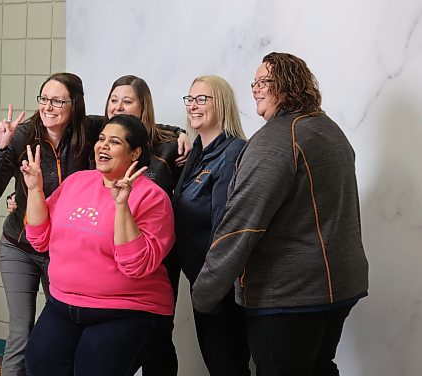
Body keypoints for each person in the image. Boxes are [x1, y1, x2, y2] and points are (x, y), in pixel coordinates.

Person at [192, 52, 369, 375]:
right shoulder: (330, 130)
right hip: (340, 287)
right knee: (319, 367)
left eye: (265, 82)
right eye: (254, 82)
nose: (256, 90)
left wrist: (204, 293)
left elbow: (241, 225)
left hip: (290, 296)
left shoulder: (275, 140)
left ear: (287, 86)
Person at [23, 114, 175, 376]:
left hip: (126, 310)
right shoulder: (76, 182)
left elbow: (136, 265)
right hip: (64, 304)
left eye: (114, 142)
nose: (103, 145)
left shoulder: (152, 197)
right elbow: (39, 238)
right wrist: (35, 190)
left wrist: (121, 206)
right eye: (101, 139)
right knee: (39, 364)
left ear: (134, 152)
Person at [0, 72, 92, 376]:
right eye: (44, 99)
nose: (48, 107)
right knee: (20, 330)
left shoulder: (91, 131)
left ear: (74, 105)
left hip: (63, 250)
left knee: (64, 331)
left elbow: (137, 125)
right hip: (20, 245)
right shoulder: (22, 135)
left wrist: (178, 134)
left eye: (57, 101)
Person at [102, 74, 182, 375]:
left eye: (127, 100)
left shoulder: (168, 145)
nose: (118, 106)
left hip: (155, 252)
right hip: (110, 251)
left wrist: (180, 133)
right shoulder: (102, 138)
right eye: (113, 99)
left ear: (143, 106)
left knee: (158, 334)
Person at [173, 75, 251, 375]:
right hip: (201, 281)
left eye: (202, 99)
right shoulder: (196, 151)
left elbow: (226, 227)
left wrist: (211, 284)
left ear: (222, 104)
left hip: (220, 287)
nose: (193, 106)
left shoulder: (232, 152)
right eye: (190, 99)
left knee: (227, 365)